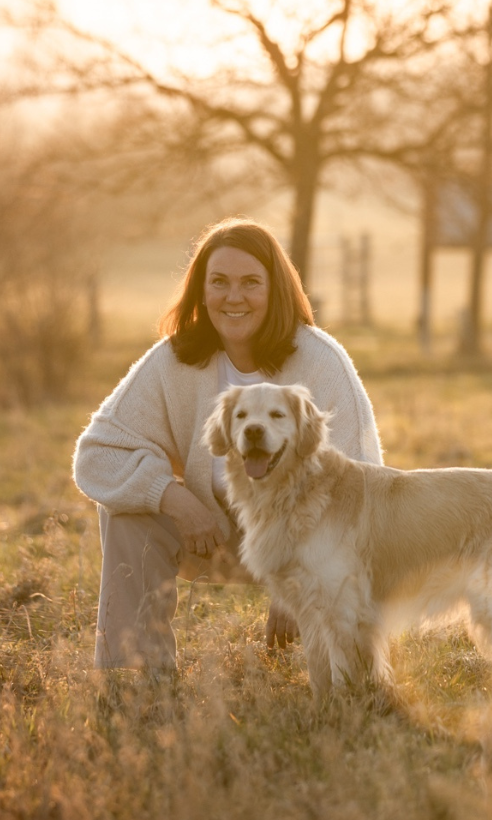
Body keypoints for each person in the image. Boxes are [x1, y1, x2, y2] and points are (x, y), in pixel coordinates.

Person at [73, 217, 383, 673]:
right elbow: (97, 454)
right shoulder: (174, 359)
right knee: (125, 509)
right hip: (211, 534)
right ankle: (134, 675)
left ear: (274, 290)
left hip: (310, 549)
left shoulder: (320, 362)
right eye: (219, 282)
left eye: (250, 283)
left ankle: (354, 682)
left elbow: (361, 494)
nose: (233, 297)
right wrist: (172, 496)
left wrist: (298, 570)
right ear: (201, 291)